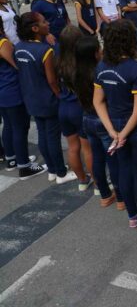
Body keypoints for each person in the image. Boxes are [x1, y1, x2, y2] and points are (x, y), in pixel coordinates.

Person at [94, 20, 137, 233]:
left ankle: (133, 217)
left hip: (114, 125)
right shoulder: (136, 69)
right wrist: (123, 134)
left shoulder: (101, 66)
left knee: (124, 170)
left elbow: (98, 102)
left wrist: (112, 133)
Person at [15, 12, 74, 183]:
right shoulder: (45, 51)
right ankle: (61, 173)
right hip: (47, 99)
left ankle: (52, 169)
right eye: (43, 22)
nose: (47, 24)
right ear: (35, 28)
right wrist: (60, 96)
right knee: (53, 136)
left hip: (30, 98)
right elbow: (52, 80)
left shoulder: (19, 47)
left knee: (43, 134)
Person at [75, 34, 123, 208]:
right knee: (113, 161)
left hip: (86, 118)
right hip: (103, 119)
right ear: (95, 53)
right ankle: (121, 198)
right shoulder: (100, 72)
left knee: (97, 159)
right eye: (99, 49)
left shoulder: (76, 72)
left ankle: (104, 194)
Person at [0, 17, 45, 178]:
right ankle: (24, 165)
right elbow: (16, 64)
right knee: (19, 127)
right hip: (11, 90)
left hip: (3, 89)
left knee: (9, 125)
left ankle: (12, 158)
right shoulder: (3, 42)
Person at [56, 25, 93, 191]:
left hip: (63, 107)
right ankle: (99, 185)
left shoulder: (58, 62)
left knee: (73, 147)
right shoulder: (82, 64)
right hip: (79, 107)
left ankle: (82, 180)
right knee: (87, 148)